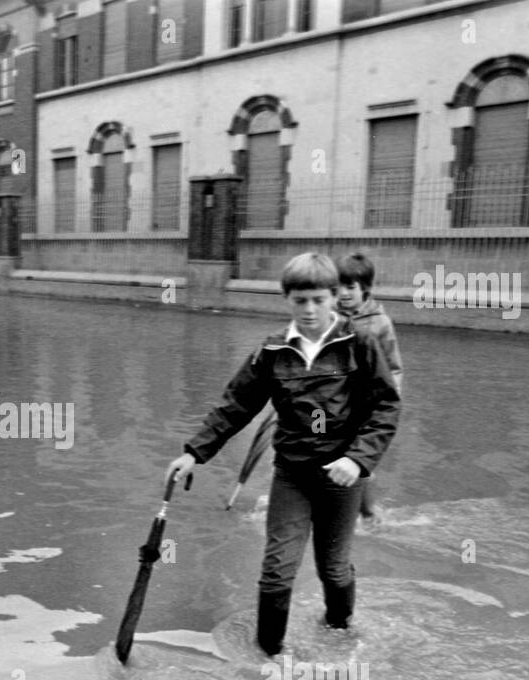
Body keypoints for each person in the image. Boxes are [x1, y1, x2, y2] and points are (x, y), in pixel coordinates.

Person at [166, 253, 400, 657]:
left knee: (334, 567)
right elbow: (236, 405)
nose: (309, 310)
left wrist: (357, 460)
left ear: (333, 298)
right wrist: (194, 453)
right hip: (291, 475)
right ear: (287, 300)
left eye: (318, 300)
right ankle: (269, 657)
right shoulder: (272, 350)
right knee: (276, 570)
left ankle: (339, 635)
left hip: (342, 477)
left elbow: (386, 406)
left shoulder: (360, 344)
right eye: (299, 301)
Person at [334, 251, 403, 529]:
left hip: (366, 406)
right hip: (334, 404)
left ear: (365, 289)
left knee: (360, 457)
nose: (344, 293)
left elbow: (394, 368)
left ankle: (369, 512)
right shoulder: (329, 318)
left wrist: (385, 404)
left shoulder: (379, 323)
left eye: (350, 287)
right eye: (338, 286)